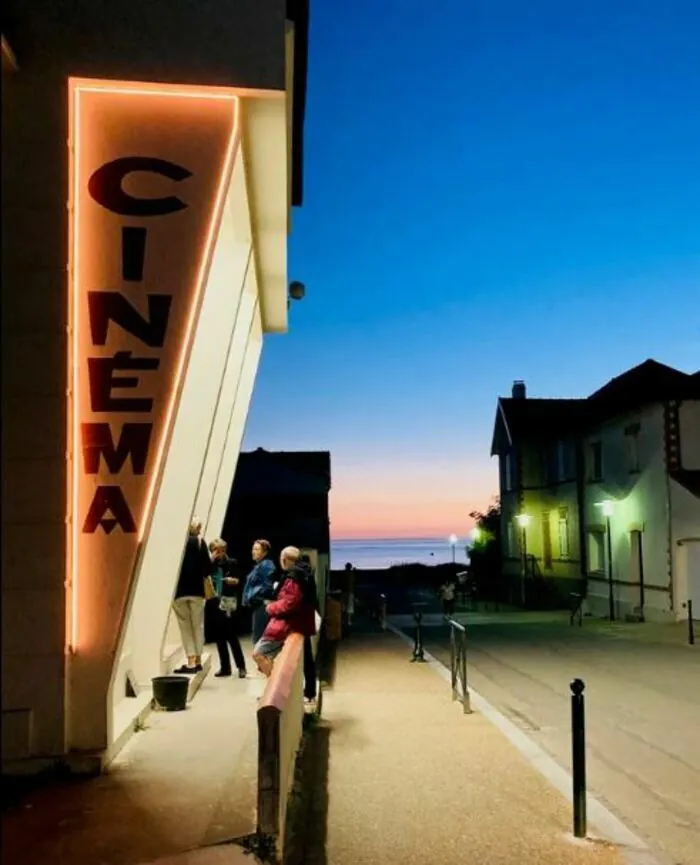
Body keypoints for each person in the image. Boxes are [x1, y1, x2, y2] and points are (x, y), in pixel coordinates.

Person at [252, 546, 316, 678]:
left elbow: (289, 603)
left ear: (284, 560)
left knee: (258, 653)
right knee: (306, 659)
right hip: (301, 623)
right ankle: (307, 692)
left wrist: (270, 607)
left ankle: (272, 687)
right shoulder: (304, 574)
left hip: (288, 624)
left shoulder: (293, 577)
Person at [173, 518, 212, 674]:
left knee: (185, 626)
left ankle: (190, 660)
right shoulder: (199, 543)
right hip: (197, 591)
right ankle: (198, 659)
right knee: (198, 625)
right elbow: (207, 570)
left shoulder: (176, 543)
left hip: (178, 591)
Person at [209, 539, 247, 679]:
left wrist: (234, 581)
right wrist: (210, 560)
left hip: (229, 601)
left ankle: (241, 666)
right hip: (215, 601)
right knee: (219, 637)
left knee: (232, 636)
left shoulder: (232, 563)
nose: (220, 553)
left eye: (222, 550)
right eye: (217, 551)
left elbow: (241, 580)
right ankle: (225, 667)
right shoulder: (210, 564)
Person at [242, 539, 277, 644]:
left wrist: (256, 597)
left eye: (257, 549)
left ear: (265, 552)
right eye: (253, 549)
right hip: (258, 605)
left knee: (259, 641)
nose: (253, 551)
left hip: (262, 605)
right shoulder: (260, 565)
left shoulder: (266, 565)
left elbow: (267, 586)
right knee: (259, 640)